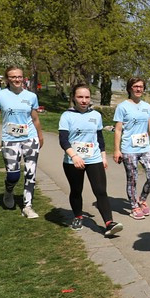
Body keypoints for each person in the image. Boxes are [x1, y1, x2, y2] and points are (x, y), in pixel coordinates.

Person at [59, 83, 123, 237]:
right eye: (80, 97)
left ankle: (109, 223)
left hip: (94, 158)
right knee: (76, 190)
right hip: (73, 160)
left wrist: (103, 157)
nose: (84, 100)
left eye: (87, 97)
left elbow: (99, 138)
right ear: (74, 98)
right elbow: (63, 140)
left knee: (100, 191)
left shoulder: (96, 116)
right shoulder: (67, 116)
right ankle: (78, 216)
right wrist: (74, 156)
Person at [0, 65, 43, 219]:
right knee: (13, 174)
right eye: (13, 77)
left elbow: (35, 118)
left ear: (23, 77)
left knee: (30, 173)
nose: (16, 79)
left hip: (30, 137)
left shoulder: (31, 96)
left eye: (19, 76)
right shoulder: (0, 96)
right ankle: (9, 192)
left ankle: (28, 206)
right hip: (10, 139)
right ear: (7, 79)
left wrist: (40, 135)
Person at [113, 77, 150, 220]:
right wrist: (117, 149)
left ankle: (142, 198)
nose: (139, 89)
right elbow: (118, 130)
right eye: (135, 86)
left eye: (141, 86)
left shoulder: (146, 106)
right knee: (132, 178)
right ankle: (134, 206)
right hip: (129, 149)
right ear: (130, 88)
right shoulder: (122, 107)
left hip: (145, 147)